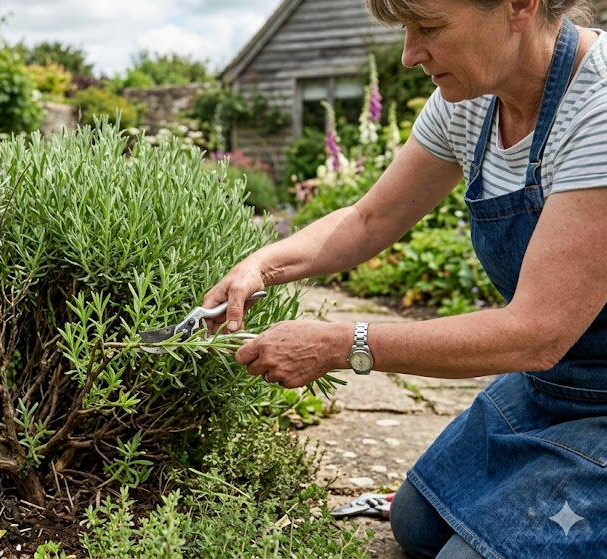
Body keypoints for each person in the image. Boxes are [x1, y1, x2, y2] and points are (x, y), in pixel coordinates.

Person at [202, 0, 607, 556]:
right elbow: (370, 218)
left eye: (429, 27)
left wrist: (343, 344)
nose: (409, 54)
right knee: (417, 524)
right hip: (555, 387)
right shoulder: (471, 103)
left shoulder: (598, 107)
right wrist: (260, 265)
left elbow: (538, 332)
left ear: (519, 5)